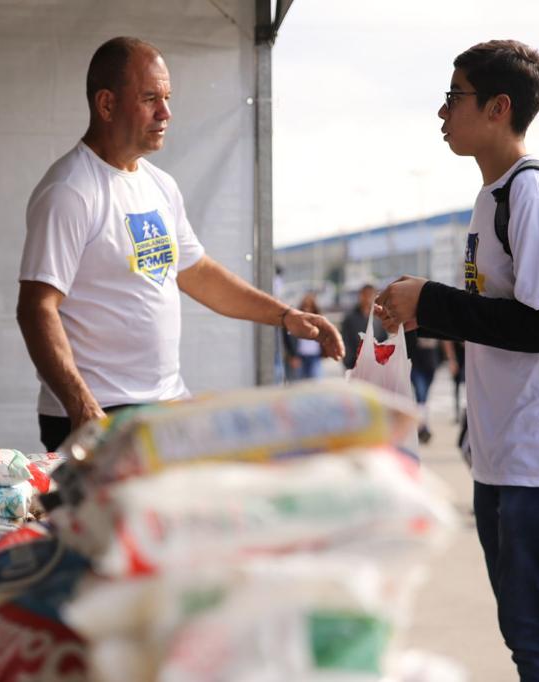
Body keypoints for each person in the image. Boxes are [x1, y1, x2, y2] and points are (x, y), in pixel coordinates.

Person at [375, 40, 539, 680]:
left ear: (498, 107)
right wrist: (425, 310)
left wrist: (434, 301)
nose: (443, 112)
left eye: (456, 97)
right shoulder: (492, 199)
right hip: (507, 455)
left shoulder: (531, 194)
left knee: (538, 630)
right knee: (530, 627)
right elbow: (495, 315)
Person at [17, 37, 343, 451]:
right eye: (150, 98)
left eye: (167, 97)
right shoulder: (70, 190)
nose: (166, 112)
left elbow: (198, 273)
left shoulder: (159, 185)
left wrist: (285, 316)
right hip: (100, 412)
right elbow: (36, 308)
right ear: (106, 104)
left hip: (166, 402)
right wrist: (82, 406)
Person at [340, 283, 387, 370]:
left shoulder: (380, 318)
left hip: (376, 365)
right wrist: (348, 361)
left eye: (370, 295)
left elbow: (384, 340)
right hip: (354, 364)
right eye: (364, 295)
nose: (367, 298)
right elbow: (345, 339)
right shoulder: (350, 318)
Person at [284, 293, 325, 380]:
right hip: (300, 356)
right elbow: (289, 338)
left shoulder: (319, 322)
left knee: (315, 383)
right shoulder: (296, 321)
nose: (308, 309)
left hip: (315, 356)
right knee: (299, 385)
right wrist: (292, 355)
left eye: (310, 307)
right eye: (305, 306)